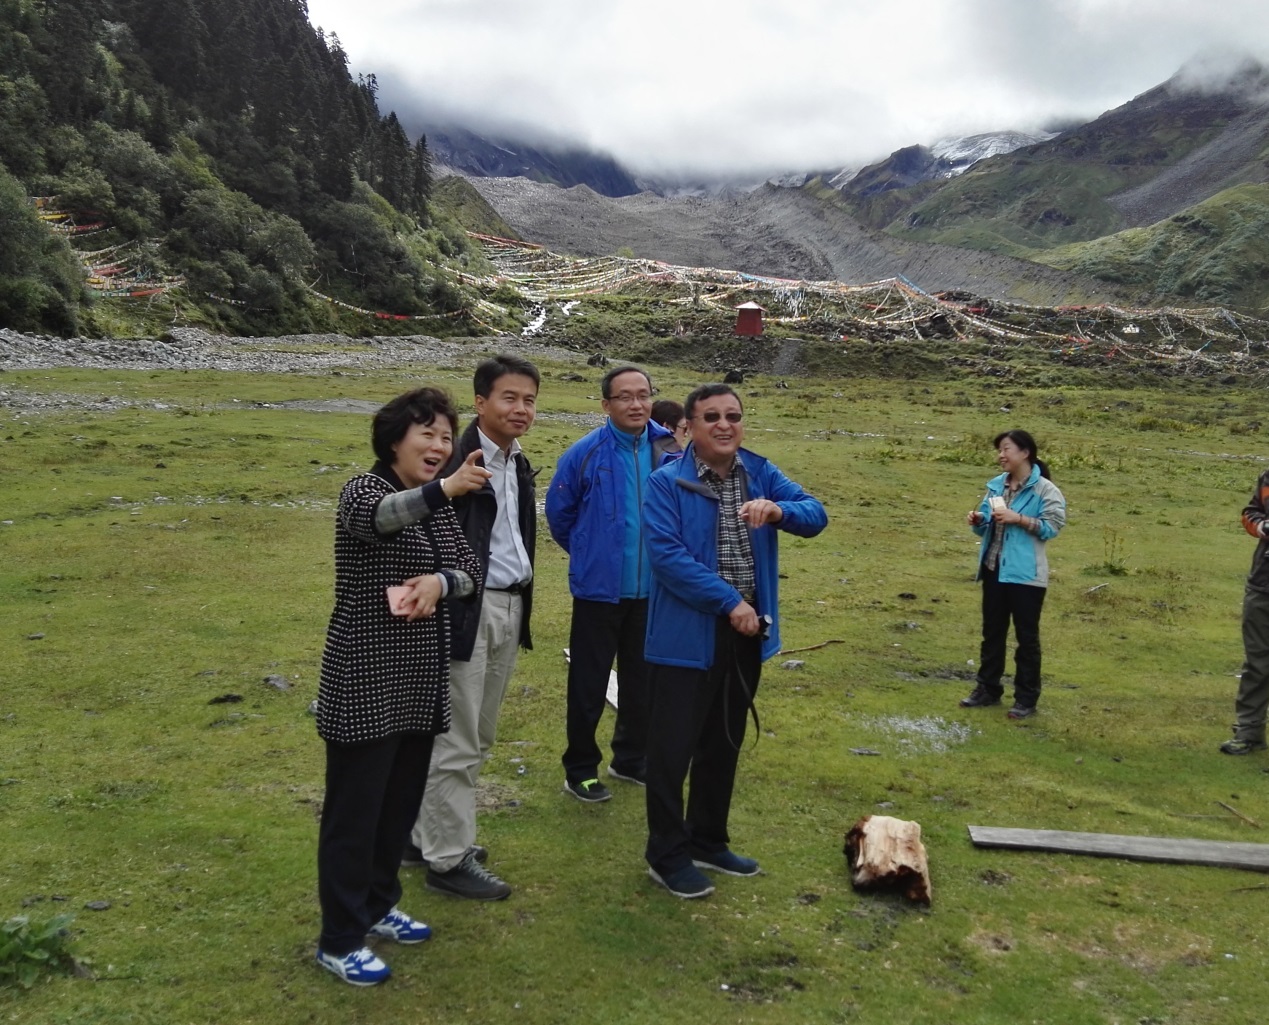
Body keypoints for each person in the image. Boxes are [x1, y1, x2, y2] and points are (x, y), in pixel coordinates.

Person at [314, 387, 488, 986]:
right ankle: (339, 939)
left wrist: (440, 582)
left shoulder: (435, 504)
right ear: (395, 440)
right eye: (427, 434)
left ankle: (379, 904)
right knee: (354, 814)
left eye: (446, 436)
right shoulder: (366, 491)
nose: (439, 445)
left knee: (397, 809)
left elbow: (471, 571)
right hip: (365, 679)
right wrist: (445, 489)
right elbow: (381, 520)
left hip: (416, 681)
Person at [641, 383, 827, 898]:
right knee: (672, 749)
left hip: (745, 634)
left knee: (723, 740)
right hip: (685, 637)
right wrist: (730, 602)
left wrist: (780, 512)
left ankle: (707, 838)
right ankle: (666, 854)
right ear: (690, 427)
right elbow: (668, 558)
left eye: (734, 416)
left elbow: (816, 513)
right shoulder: (666, 483)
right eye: (712, 417)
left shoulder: (760, 473)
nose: (725, 425)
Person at [404, 354, 540, 900]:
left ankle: (425, 834)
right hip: (465, 610)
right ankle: (447, 859)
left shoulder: (517, 461)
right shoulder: (453, 461)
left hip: (509, 605)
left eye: (529, 400)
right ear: (480, 402)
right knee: (458, 738)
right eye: (509, 397)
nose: (521, 409)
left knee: (478, 734)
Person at [546, 366, 678, 801]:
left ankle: (631, 759)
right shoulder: (584, 453)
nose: (636, 404)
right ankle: (580, 769)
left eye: (643, 395)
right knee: (588, 684)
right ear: (606, 404)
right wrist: (590, 553)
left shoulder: (669, 449)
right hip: (598, 592)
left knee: (643, 682)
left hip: (654, 591)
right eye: (625, 396)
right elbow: (560, 515)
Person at [960, 429, 1067, 720]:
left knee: (1026, 638)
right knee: (992, 633)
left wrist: (1018, 518)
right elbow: (986, 525)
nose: (1001, 455)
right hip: (993, 569)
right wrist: (979, 520)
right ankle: (987, 689)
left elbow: (1052, 527)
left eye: (1006, 449)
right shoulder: (997, 486)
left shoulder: (1045, 490)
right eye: (1000, 450)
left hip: (1025, 575)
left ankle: (1026, 699)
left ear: (1025, 452)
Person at [1219, 470, 1269, 754]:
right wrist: (1261, 526)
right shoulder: (1268, 477)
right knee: (1258, 662)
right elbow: (1251, 511)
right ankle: (1249, 731)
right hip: (1262, 584)